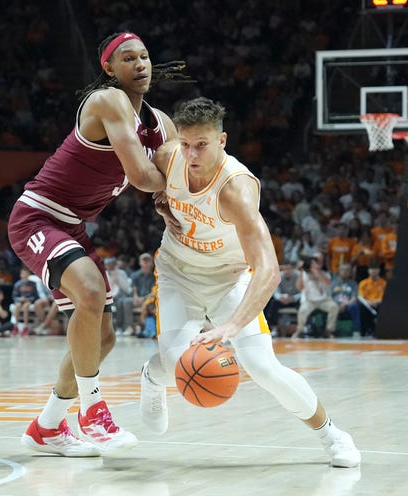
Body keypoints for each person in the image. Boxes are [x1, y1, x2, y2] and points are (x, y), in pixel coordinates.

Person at [139, 97, 360, 468]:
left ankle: (333, 434)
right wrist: (161, 202)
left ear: (222, 141)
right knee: (179, 363)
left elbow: (269, 271)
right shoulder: (167, 156)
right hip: (179, 272)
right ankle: (151, 375)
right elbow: (151, 182)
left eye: (202, 145)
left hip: (229, 278)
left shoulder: (236, 189)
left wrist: (229, 326)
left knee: (261, 366)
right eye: (187, 144)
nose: (192, 154)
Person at [7, 31, 186, 456]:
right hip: (38, 215)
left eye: (144, 56)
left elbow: (172, 177)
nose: (140, 64)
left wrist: (175, 199)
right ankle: (93, 411)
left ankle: (47, 427)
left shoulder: (162, 123)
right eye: (128, 58)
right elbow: (144, 178)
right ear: (109, 68)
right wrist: (188, 190)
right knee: (89, 291)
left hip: (73, 228)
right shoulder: (107, 102)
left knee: (101, 339)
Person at [292, 253, 339, 339]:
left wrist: (316, 271)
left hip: (324, 300)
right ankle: (299, 331)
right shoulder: (304, 274)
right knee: (302, 310)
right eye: (314, 261)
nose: (317, 262)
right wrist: (302, 271)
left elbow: (327, 282)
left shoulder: (325, 273)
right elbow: (299, 288)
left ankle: (329, 331)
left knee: (334, 306)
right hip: (309, 301)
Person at [11, 266, 44, 336]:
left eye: (26, 273)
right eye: (23, 273)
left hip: (29, 301)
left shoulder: (33, 284)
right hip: (20, 301)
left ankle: (25, 327)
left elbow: (36, 296)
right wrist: (20, 299)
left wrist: (29, 299)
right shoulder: (17, 284)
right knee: (17, 306)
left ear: (29, 275)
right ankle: (15, 326)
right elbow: (14, 296)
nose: (24, 275)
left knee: (26, 306)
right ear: (20, 275)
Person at [330, 263, 361, 336]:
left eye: (347, 270)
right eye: (342, 270)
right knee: (330, 306)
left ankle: (356, 331)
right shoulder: (333, 283)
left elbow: (354, 297)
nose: (345, 272)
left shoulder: (353, 284)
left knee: (354, 305)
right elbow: (329, 297)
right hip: (335, 304)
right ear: (339, 271)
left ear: (350, 272)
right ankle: (330, 331)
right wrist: (337, 305)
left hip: (348, 305)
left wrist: (345, 304)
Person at [357, 263, 387, 336]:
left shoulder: (384, 283)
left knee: (384, 307)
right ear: (368, 271)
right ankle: (364, 330)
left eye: (375, 269)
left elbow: (385, 297)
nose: (373, 271)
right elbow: (361, 296)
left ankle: (379, 330)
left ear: (379, 271)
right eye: (372, 269)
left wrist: (376, 302)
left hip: (379, 304)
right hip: (367, 304)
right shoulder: (363, 283)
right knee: (361, 307)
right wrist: (368, 302)